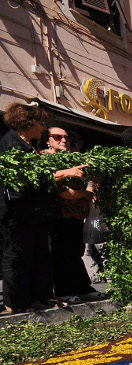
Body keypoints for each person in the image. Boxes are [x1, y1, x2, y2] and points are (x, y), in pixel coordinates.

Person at [0, 103, 87, 312]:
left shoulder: (28, 145)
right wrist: (65, 173)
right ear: (28, 123)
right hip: (17, 212)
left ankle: (40, 298)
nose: (43, 128)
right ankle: (17, 303)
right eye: (41, 123)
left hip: (35, 213)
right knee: (18, 257)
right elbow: (25, 178)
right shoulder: (11, 143)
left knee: (38, 255)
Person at [43, 126, 101, 301]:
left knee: (75, 251)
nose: (64, 140)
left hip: (76, 215)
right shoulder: (45, 159)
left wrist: (90, 187)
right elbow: (62, 191)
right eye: (57, 137)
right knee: (61, 253)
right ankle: (64, 292)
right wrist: (85, 193)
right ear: (48, 140)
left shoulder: (71, 158)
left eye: (66, 137)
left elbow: (87, 180)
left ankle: (82, 288)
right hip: (58, 215)